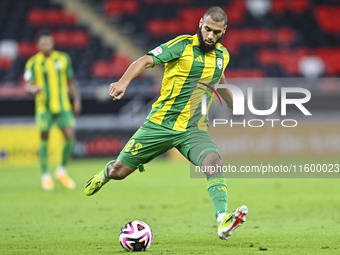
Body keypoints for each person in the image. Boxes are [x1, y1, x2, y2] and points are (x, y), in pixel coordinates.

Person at [84, 6, 248, 240]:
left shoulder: (223, 56)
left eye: (217, 32)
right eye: (207, 29)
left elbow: (219, 81)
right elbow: (145, 60)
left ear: (224, 31)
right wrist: (123, 82)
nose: (211, 36)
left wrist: (237, 106)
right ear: (201, 23)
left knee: (214, 162)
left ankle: (223, 220)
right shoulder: (182, 45)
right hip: (160, 125)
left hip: (193, 129)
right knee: (119, 172)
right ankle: (105, 174)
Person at [24, 30, 82, 191]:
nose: (46, 45)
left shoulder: (63, 59)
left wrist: (76, 99)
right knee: (44, 138)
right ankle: (45, 176)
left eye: (49, 42)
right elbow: (28, 85)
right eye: (43, 43)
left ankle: (61, 171)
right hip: (44, 108)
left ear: (52, 43)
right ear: (38, 45)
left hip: (62, 106)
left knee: (70, 137)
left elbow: (71, 80)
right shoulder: (33, 63)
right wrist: (33, 89)